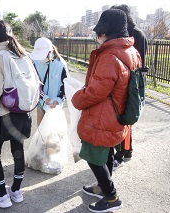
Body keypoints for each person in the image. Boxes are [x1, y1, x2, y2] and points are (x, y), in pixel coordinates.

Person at [71, 9, 141, 212]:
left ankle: (111, 198)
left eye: (98, 32)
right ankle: (102, 187)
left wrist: (76, 98)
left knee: (93, 155)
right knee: (107, 152)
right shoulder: (130, 51)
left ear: (106, 32)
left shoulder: (110, 55)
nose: (97, 37)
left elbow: (96, 91)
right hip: (118, 113)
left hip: (103, 115)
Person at [0, 20, 32, 208]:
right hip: (23, 112)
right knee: (18, 151)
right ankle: (16, 191)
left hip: (2, 116)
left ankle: (2, 196)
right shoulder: (23, 55)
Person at [110, 4, 149, 170]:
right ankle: (127, 150)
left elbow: (136, 63)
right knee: (122, 118)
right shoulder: (124, 33)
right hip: (125, 82)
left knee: (127, 118)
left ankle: (124, 152)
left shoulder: (136, 35)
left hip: (131, 84)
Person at [29, 37, 69, 126]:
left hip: (55, 104)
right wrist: (44, 97)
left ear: (50, 52)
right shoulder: (36, 62)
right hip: (41, 100)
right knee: (40, 122)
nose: (41, 58)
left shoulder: (61, 65)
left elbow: (66, 87)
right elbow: (34, 83)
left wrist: (58, 100)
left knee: (52, 127)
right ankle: (42, 140)